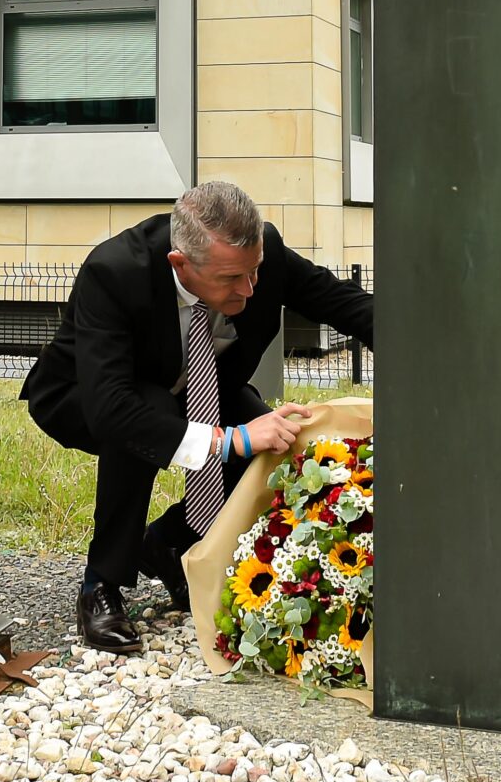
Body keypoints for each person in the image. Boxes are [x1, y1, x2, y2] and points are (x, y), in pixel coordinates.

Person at [24, 180, 375, 653]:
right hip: (87, 397)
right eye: (231, 279)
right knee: (149, 412)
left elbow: (345, 305)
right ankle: (101, 583)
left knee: (276, 445)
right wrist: (229, 440)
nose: (249, 289)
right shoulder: (114, 272)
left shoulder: (260, 254)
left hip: (200, 386)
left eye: (254, 272)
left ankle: (165, 543)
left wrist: (423, 351)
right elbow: (112, 409)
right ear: (181, 264)